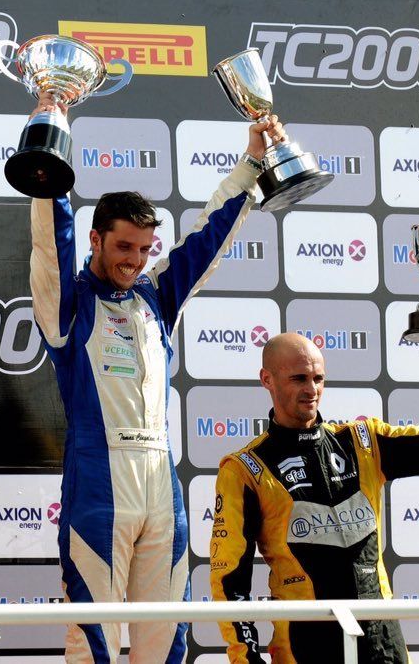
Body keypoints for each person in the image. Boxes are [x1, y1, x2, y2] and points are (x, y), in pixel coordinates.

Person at [29, 90, 285, 663]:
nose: (135, 260)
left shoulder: (156, 295)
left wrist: (250, 163)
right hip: (98, 483)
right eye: (124, 246)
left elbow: (209, 239)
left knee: (167, 642)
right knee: (93, 641)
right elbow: (50, 243)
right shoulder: (68, 304)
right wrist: (51, 142)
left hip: (161, 486)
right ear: (96, 239)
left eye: (145, 249)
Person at [210, 328, 419, 663]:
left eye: (318, 378)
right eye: (299, 378)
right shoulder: (245, 469)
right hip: (306, 648)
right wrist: (246, 659)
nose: (312, 389)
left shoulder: (363, 443)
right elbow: (230, 581)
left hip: (383, 644)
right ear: (267, 379)